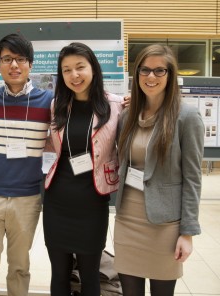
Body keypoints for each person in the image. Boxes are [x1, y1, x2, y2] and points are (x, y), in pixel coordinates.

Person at [114, 44, 204, 296]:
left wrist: (188, 232)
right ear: (137, 74)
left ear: (170, 75)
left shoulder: (187, 117)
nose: (151, 77)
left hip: (164, 224)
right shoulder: (128, 116)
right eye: (144, 70)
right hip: (127, 219)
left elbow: (193, 178)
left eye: (159, 71)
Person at [0, 33, 53, 296]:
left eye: (20, 59)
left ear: (30, 64)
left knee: (19, 268)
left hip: (26, 199)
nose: (14, 65)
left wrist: (122, 101)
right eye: (7, 59)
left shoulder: (49, 101)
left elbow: (87, 100)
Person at [43, 42, 124, 296]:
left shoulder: (115, 106)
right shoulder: (57, 106)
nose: (74, 75)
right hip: (58, 201)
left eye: (80, 67)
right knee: (59, 274)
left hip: (92, 202)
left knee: (90, 275)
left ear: (93, 69)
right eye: (66, 70)